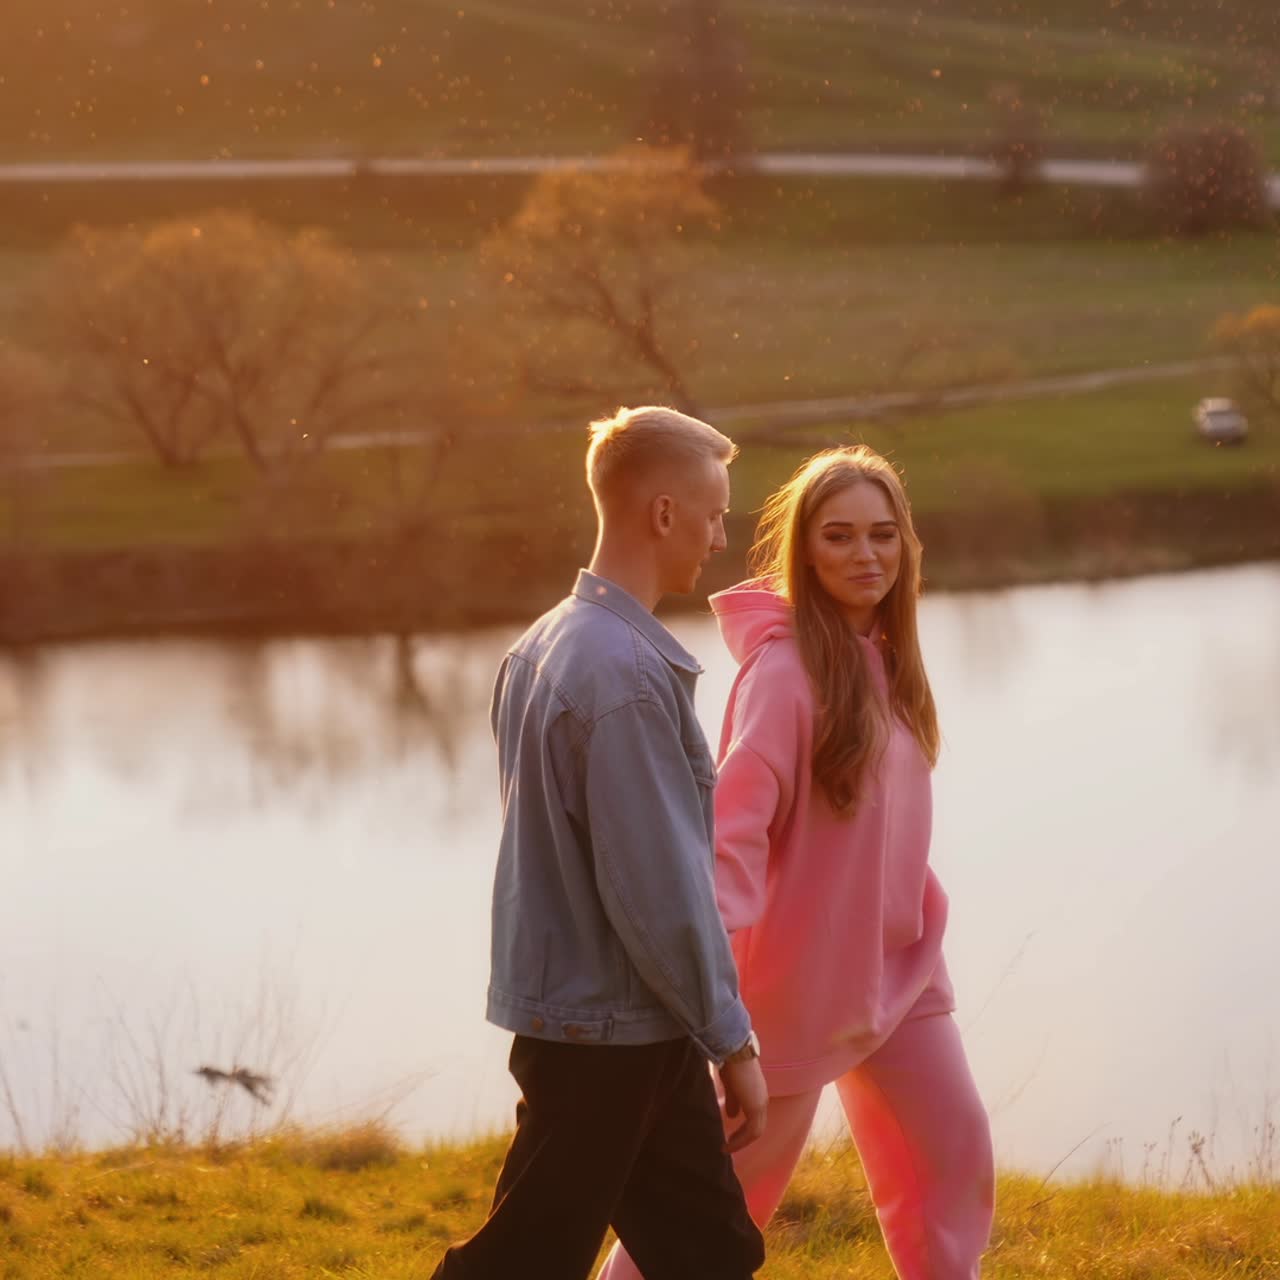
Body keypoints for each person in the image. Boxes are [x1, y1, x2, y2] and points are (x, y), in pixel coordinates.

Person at [599, 445, 995, 1280]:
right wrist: (709, 987)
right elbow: (732, 836)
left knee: (952, 1154)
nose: (866, 555)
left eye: (882, 534)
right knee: (722, 1201)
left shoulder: (891, 659)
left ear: (906, 543)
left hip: (902, 962)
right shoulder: (782, 674)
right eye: (839, 536)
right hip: (796, 984)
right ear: (806, 553)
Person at [431, 406, 768, 1280]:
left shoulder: (542, 643)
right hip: (606, 1037)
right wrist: (732, 1041)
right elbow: (659, 892)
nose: (720, 537)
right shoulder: (622, 677)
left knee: (714, 1256)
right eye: (714, 515)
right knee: (524, 1262)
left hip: (613, 1021)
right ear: (664, 513)